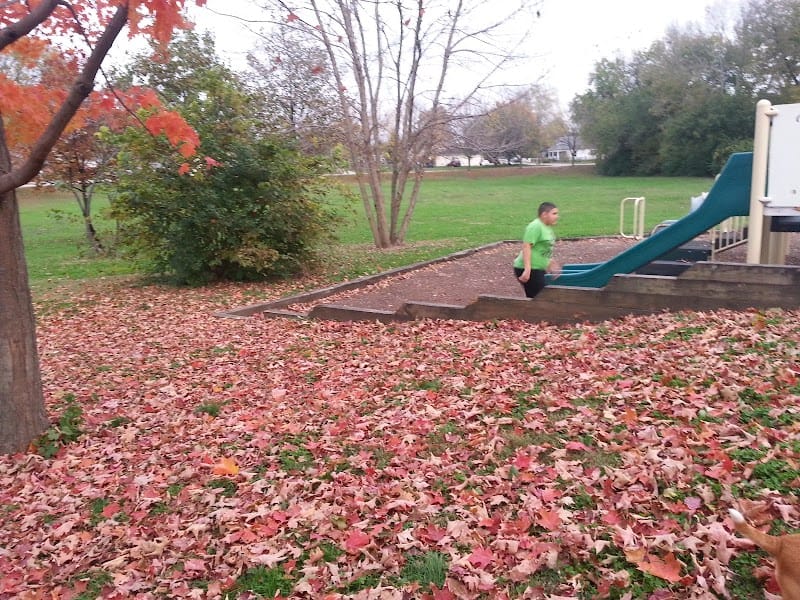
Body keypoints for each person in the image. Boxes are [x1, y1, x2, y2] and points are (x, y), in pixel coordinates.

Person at [513, 202, 561, 298]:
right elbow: (527, 246)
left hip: (538, 268)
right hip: (529, 269)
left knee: (540, 299)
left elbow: (542, 247)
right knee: (540, 299)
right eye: (554, 214)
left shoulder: (546, 227)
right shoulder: (535, 226)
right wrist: (527, 270)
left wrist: (550, 262)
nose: (557, 216)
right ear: (544, 214)